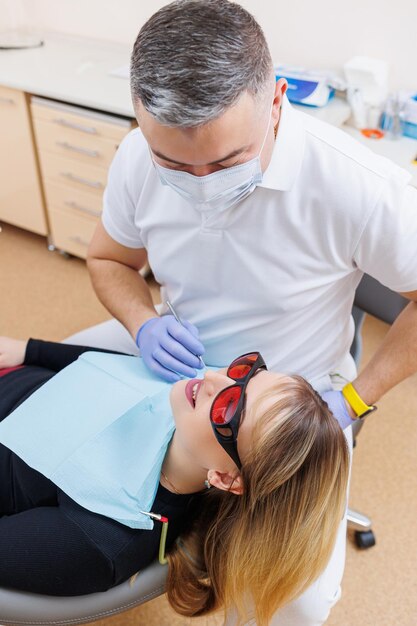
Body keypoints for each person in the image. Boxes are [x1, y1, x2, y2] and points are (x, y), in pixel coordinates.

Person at [68, 0, 417, 622]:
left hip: (293, 397)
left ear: (277, 100)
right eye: (176, 165)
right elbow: (109, 260)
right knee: (45, 410)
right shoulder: (134, 158)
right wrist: (142, 322)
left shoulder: (358, 184)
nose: (200, 181)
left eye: (226, 163)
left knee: (293, 606)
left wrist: (356, 400)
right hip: (176, 366)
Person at [0, 338, 349, 626]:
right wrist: (27, 350)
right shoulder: (187, 400)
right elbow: (110, 370)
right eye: (243, 372)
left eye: (229, 407)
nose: (213, 377)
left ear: (227, 477)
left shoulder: (99, 539)